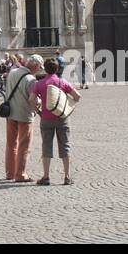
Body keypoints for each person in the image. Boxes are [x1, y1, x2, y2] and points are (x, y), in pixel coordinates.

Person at [34, 58, 82, 186]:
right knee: (65, 146)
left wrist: (38, 111)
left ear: (45, 68)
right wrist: (67, 106)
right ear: (57, 69)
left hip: (46, 118)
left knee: (46, 146)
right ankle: (66, 177)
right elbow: (77, 96)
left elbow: (31, 99)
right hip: (62, 118)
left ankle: (46, 177)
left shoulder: (40, 83)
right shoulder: (62, 82)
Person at [2, 55, 42, 183]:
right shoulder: (31, 80)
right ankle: (20, 174)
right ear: (35, 66)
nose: (39, 70)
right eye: (39, 68)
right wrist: (40, 103)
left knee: (11, 144)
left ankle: (10, 172)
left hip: (10, 113)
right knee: (24, 145)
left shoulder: (12, 73)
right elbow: (33, 99)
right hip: (25, 115)